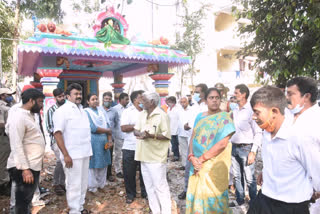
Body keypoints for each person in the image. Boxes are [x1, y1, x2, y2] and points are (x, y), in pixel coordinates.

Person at [248, 85, 320, 214]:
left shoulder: (299, 137)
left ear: (274, 111)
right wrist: (267, 172)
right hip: (264, 199)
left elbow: (317, 171)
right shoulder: (266, 132)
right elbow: (279, 158)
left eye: (257, 112)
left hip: (291, 207)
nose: (253, 117)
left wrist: (313, 192)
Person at [185, 88, 236, 214]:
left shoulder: (225, 118)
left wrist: (200, 160)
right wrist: (191, 156)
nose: (214, 100)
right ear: (206, 100)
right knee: (197, 195)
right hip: (196, 163)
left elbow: (222, 144)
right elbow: (193, 136)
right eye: (211, 98)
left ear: (220, 100)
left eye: (217, 97)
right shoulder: (200, 116)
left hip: (213, 166)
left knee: (214, 199)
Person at [53, 83, 92, 214]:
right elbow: (57, 133)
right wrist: (65, 155)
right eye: (76, 94)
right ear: (68, 96)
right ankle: (74, 211)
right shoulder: (61, 111)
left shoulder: (83, 110)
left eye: (80, 94)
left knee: (83, 183)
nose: (79, 96)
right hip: (72, 155)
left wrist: (89, 152)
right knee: (73, 184)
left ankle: (80, 208)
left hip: (85, 153)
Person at [6, 88, 45, 214]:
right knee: (21, 204)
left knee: (26, 201)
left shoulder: (31, 115)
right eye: (40, 102)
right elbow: (16, 144)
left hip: (32, 165)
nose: (42, 105)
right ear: (31, 101)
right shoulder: (19, 116)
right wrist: (25, 169)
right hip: (24, 168)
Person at [285, 77, 320, 214]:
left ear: (306, 97)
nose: (286, 98)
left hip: (312, 196)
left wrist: (316, 189)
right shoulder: (290, 117)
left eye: (290, 94)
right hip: (291, 193)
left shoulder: (315, 121)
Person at [134, 92, 172, 214]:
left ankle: (166, 211)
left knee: (160, 188)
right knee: (149, 188)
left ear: (152, 102)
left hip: (156, 157)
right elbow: (136, 129)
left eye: (144, 100)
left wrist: (151, 135)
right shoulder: (142, 114)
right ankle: (156, 211)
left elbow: (167, 136)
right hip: (143, 156)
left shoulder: (162, 115)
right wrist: (139, 133)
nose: (141, 102)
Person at [230, 84, 262, 207]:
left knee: (250, 178)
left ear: (243, 94)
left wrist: (253, 151)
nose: (234, 95)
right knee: (237, 176)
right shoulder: (235, 110)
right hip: (235, 147)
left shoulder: (251, 111)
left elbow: (258, 132)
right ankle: (240, 200)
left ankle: (254, 203)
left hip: (246, 148)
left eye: (236, 93)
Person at [121, 90, 147, 204]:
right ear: (135, 100)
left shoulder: (147, 111)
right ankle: (130, 194)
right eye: (141, 97)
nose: (143, 99)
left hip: (145, 146)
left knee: (145, 172)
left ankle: (145, 193)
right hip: (130, 147)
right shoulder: (127, 112)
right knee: (129, 172)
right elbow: (124, 128)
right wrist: (137, 126)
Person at [85, 93, 112, 193]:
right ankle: (92, 186)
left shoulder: (102, 112)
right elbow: (93, 128)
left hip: (104, 141)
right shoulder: (86, 112)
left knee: (103, 163)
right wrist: (107, 131)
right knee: (93, 164)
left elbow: (109, 127)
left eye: (96, 99)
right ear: (88, 102)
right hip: (93, 141)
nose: (95, 101)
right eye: (92, 99)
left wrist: (109, 140)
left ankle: (101, 184)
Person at [45, 88, 66, 196]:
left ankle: (62, 183)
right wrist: (60, 131)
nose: (62, 98)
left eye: (63, 96)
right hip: (56, 140)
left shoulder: (68, 109)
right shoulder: (51, 110)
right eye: (59, 97)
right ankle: (56, 183)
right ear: (55, 98)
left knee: (65, 161)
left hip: (68, 140)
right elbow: (49, 128)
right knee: (59, 161)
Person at [98, 91, 119, 182]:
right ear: (102, 100)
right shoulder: (98, 110)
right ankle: (99, 175)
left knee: (109, 156)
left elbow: (116, 123)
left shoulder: (114, 111)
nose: (108, 101)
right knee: (100, 155)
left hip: (111, 137)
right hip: (100, 137)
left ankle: (108, 174)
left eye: (109, 99)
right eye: (106, 99)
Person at [177, 96, 194, 200]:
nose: (183, 103)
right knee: (183, 153)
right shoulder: (179, 111)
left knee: (190, 157)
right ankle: (187, 189)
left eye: (184, 102)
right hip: (181, 133)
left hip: (190, 135)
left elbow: (191, 123)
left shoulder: (192, 110)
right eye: (181, 102)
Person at [0, 88, 15, 196]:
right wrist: (12, 126)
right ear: (2, 96)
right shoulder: (1, 107)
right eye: (9, 95)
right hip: (3, 138)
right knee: (3, 162)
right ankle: (3, 184)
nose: (11, 96)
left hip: (9, 138)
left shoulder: (9, 106)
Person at [112, 92, 129, 178]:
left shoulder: (130, 109)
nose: (128, 101)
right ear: (121, 100)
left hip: (129, 136)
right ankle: (118, 170)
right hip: (119, 135)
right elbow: (113, 122)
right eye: (126, 99)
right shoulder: (115, 109)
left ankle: (127, 170)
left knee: (127, 154)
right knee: (118, 154)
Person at [166, 96, 180, 161]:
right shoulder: (169, 109)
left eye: (169, 102)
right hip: (171, 128)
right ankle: (175, 154)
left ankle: (177, 155)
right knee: (173, 143)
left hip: (177, 128)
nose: (167, 103)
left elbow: (179, 119)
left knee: (177, 143)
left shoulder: (178, 109)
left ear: (173, 102)